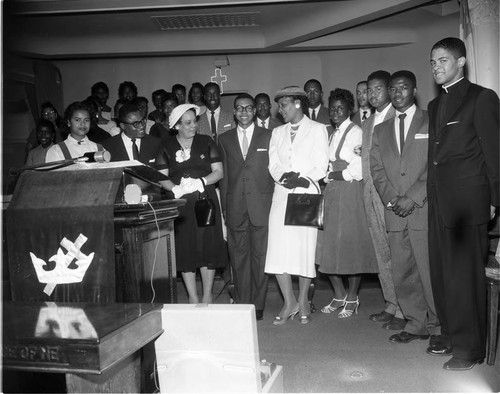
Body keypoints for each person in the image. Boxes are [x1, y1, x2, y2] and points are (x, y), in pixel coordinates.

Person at [426, 37, 499, 370]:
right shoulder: (435, 104)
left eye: (443, 61)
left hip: (469, 203)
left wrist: (494, 201)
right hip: (440, 204)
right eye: (433, 62)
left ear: (461, 61)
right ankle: (452, 335)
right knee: (444, 274)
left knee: (465, 277)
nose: (437, 67)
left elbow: (494, 154)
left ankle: (470, 349)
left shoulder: (481, 98)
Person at [370, 70, 440, 346]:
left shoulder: (430, 121)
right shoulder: (380, 129)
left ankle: (437, 326)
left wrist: (413, 196)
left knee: (428, 269)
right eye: (393, 89)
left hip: (422, 207)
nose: (398, 93)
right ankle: (415, 323)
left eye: (404, 88)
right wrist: (391, 198)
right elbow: (376, 169)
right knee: (403, 270)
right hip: (394, 211)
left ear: (415, 90)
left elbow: (437, 163)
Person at [264, 86, 329, 325]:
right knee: (278, 249)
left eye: (284, 105)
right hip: (282, 194)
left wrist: (303, 179)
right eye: (279, 106)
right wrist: (284, 177)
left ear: (298, 104)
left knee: (304, 248)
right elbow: (273, 163)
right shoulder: (277, 132)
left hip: (306, 194)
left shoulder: (318, 129)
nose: (280, 110)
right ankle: (288, 301)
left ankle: (303, 301)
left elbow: (322, 164)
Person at [316, 88, 377, 318]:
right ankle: (339, 293)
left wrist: (334, 176)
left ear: (350, 109)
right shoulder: (332, 132)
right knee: (330, 245)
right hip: (333, 194)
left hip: (350, 192)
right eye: (332, 108)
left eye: (340, 108)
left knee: (351, 245)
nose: (335, 112)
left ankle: (353, 296)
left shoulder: (356, 132)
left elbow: (360, 167)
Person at [159, 104, 228, 303]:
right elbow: (161, 177)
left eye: (194, 121)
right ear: (177, 126)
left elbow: (219, 172)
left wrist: (202, 181)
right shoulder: (166, 145)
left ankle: (207, 295)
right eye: (187, 123)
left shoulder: (206, 142)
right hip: (181, 203)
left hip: (205, 200)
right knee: (186, 247)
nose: (193, 126)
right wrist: (175, 188)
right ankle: (193, 297)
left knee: (208, 245)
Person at [218, 93, 274, 321]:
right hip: (235, 206)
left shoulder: (269, 136)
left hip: (262, 206)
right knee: (238, 257)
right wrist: (224, 208)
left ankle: (259, 304)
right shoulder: (224, 138)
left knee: (260, 257)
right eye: (239, 108)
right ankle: (243, 303)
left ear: (255, 111)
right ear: (234, 112)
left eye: (248, 108)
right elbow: (223, 177)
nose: (244, 112)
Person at [362, 70, 405, 330]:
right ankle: (391, 303)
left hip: (390, 196)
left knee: (399, 253)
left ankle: (405, 308)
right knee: (381, 253)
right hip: (370, 195)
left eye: (378, 89)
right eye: (369, 90)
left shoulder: (398, 116)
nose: (372, 94)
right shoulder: (367, 122)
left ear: (388, 89)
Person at [101, 103, 166, 166]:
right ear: (123, 126)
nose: (142, 126)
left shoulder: (155, 143)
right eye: (136, 124)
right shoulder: (107, 146)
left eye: (143, 121)